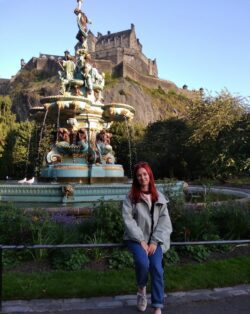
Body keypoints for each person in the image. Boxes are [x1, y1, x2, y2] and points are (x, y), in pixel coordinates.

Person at [122, 161, 172, 314]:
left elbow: (165, 222)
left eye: (144, 174)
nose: (142, 178)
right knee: (143, 263)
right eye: (138, 175)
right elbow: (128, 220)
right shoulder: (131, 197)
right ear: (136, 179)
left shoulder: (159, 197)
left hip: (155, 241)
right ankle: (142, 289)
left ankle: (157, 306)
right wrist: (141, 240)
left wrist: (155, 241)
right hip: (135, 239)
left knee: (157, 268)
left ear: (149, 175)